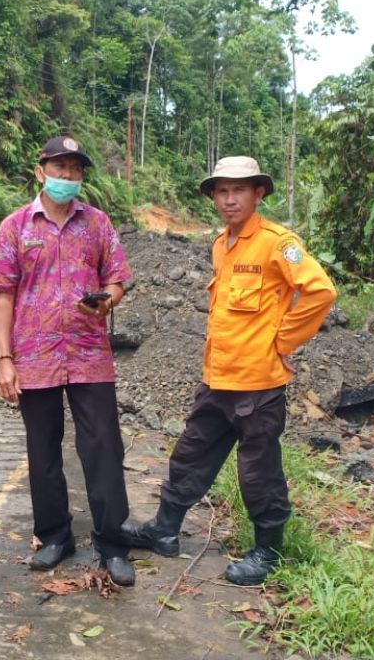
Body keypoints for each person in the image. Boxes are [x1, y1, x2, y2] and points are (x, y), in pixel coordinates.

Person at [123, 156, 336, 586]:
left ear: (258, 194)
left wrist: (283, 342)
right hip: (218, 379)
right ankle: (165, 530)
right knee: (190, 454)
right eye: (221, 190)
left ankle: (267, 552)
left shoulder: (278, 243)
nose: (229, 199)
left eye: (239, 190)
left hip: (259, 387)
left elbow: (320, 292)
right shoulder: (222, 244)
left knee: (258, 471)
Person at [0, 135, 137, 586]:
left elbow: (118, 279)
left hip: (89, 353)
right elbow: (2, 298)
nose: (67, 177)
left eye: (75, 169)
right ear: (40, 171)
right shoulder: (15, 227)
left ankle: (113, 543)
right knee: (42, 448)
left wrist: (106, 300)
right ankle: (54, 536)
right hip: (34, 355)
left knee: (103, 446)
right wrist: (4, 359)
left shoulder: (98, 224)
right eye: (59, 168)